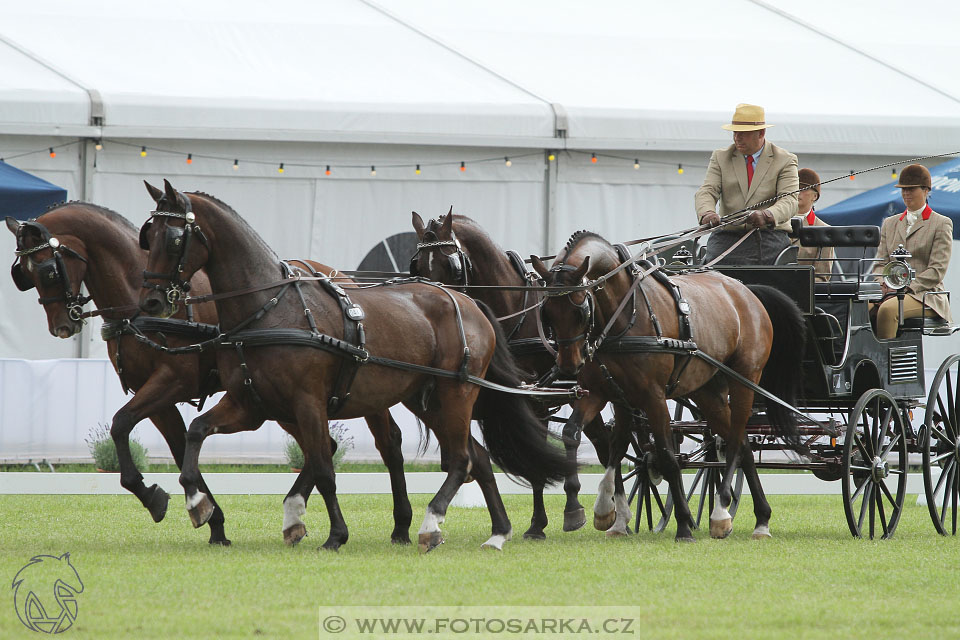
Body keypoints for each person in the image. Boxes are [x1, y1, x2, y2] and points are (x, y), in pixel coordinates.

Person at [695, 103, 799, 264]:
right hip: (727, 235)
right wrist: (707, 213)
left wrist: (767, 215)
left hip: (768, 237)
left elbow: (790, 200)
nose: (737, 137)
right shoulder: (721, 157)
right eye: (735, 132)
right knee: (708, 271)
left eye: (743, 133)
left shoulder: (785, 160)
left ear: (761, 133)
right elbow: (707, 191)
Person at [872, 163, 953, 339]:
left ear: (926, 190)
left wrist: (905, 286)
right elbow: (880, 263)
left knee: (888, 310)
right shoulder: (890, 223)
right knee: (860, 308)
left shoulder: (941, 223)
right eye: (903, 189)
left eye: (911, 189)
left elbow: (936, 270)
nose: (906, 193)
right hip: (891, 291)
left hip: (926, 294)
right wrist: (882, 284)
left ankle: (886, 363)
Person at [792, 168, 835, 282]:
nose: (797, 192)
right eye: (794, 188)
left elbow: (822, 276)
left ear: (815, 196)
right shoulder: (777, 223)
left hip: (804, 292)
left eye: (802, 189)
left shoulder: (824, 231)